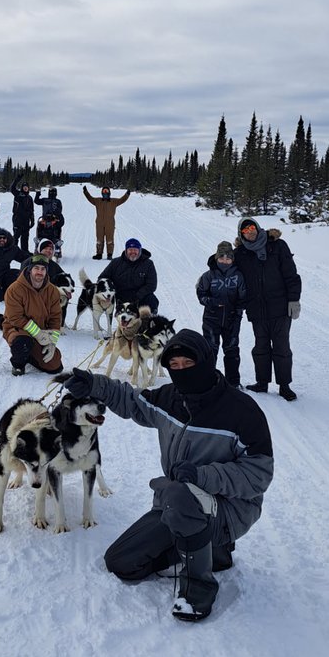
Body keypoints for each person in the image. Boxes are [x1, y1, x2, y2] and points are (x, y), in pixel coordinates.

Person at [63, 328, 273, 622]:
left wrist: (202, 476)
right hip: (179, 505)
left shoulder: (241, 411)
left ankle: (197, 587)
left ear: (206, 362)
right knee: (121, 562)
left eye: (188, 364)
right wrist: (93, 385)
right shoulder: (171, 398)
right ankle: (214, 552)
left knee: (179, 493)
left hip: (230, 508)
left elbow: (258, 475)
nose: (181, 371)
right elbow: (132, 401)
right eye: (173, 366)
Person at [231, 217, 302, 401]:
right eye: (245, 230)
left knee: (282, 347)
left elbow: (291, 274)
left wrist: (294, 300)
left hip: (280, 307)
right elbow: (227, 270)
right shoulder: (240, 253)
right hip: (256, 309)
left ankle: (284, 386)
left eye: (252, 227)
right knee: (261, 347)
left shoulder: (277, 246)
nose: (250, 232)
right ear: (241, 234)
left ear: (258, 227)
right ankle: (262, 383)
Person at [3, 253, 64, 376]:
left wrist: (52, 341)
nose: (39, 272)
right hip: (18, 329)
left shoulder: (52, 291)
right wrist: (37, 333)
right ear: (30, 270)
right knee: (23, 342)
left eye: (43, 269)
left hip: (42, 333)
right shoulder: (15, 289)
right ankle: (18, 364)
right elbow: (15, 318)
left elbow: (55, 317)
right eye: (36, 268)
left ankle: (30, 355)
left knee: (55, 367)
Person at [195, 241, 247, 387]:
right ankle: (207, 382)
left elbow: (244, 297)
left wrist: (237, 312)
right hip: (212, 318)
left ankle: (233, 383)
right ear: (217, 258)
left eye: (228, 258)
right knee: (210, 350)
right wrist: (212, 301)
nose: (225, 261)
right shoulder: (208, 276)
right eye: (221, 258)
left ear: (232, 259)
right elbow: (201, 295)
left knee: (232, 350)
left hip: (232, 318)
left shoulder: (238, 276)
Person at [99, 238, 159, 313]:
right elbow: (102, 278)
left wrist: (138, 296)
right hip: (121, 297)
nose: (133, 252)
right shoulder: (116, 263)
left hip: (140, 297)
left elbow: (151, 285)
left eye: (135, 250)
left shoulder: (148, 264)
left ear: (140, 250)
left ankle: (150, 320)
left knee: (152, 299)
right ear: (126, 250)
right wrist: (110, 289)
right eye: (130, 249)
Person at [82, 185, 131, 259]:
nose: (105, 193)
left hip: (110, 224)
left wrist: (127, 194)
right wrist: (85, 192)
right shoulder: (97, 201)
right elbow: (90, 198)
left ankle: (109, 254)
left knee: (110, 239)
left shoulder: (114, 201)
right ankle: (99, 254)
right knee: (99, 239)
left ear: (109, 193)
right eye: (104, 192)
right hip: (99, 224)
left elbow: (122, 200)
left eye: (106, 191)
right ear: (102, 193)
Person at [9, 172, 35, 252]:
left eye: (26, 187)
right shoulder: (18, 194)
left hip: (26, 220)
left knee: (25, 236)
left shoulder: (30, 198)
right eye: (24, 187)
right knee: (16, 236)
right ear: (22, 188)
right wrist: (17, 179)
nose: (25, 188)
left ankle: (25, 251)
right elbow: (12, 188)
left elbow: (31, 210)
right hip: (17, 219)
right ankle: (13, 251)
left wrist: (32, 219)